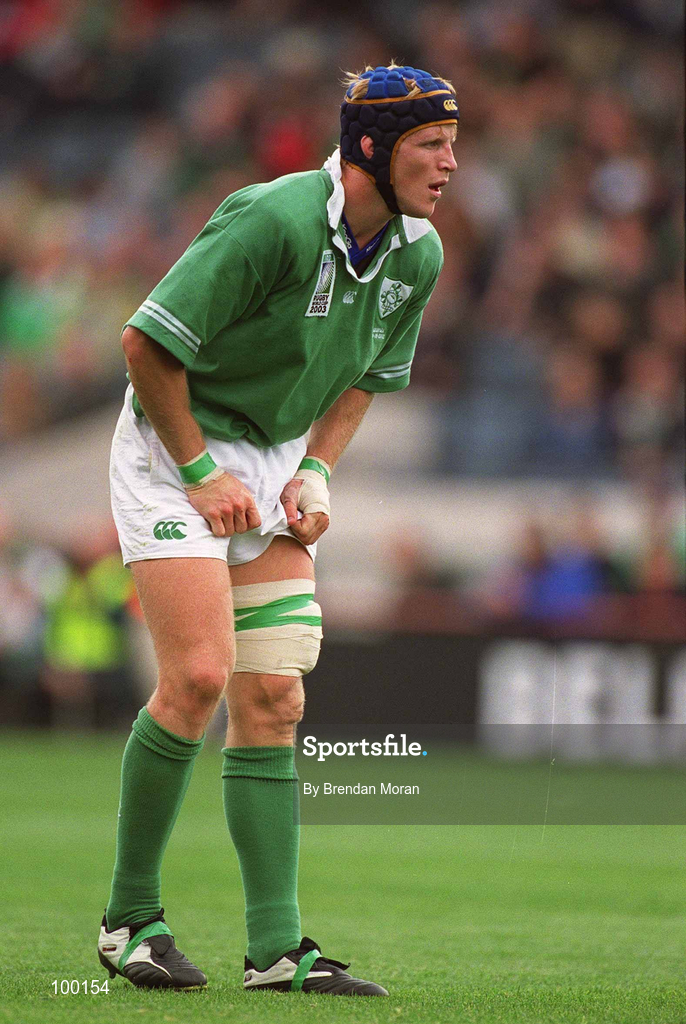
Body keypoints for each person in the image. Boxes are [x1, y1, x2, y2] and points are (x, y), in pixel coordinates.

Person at [98, 63, 458, 997]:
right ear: (371, 148)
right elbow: (145, 346)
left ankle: (275, 952)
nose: (451, 162)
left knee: (277, 702)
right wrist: (200, 472)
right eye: (432, 143)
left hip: (269, 460)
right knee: (201, 678)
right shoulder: (272, 218)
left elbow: (364, 381)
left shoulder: (418, 254)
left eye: (453, 143)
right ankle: (130, 921)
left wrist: (315, 469)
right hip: (170, 445)